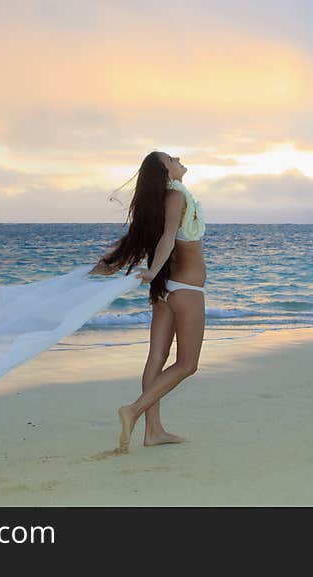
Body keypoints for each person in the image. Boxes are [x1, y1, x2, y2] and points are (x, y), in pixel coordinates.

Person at [90, 151, 206, 453]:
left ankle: (153, 431)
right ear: (165, 171)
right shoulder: (176, 196)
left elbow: (148, 238)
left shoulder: (164, 200)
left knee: (158, 357)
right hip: (185, 288)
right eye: (171, 158)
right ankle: (134, 410)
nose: (178, 157)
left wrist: (110, 265)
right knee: (187, 364)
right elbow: (168, 238)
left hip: (166, 289)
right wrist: (153, 270)